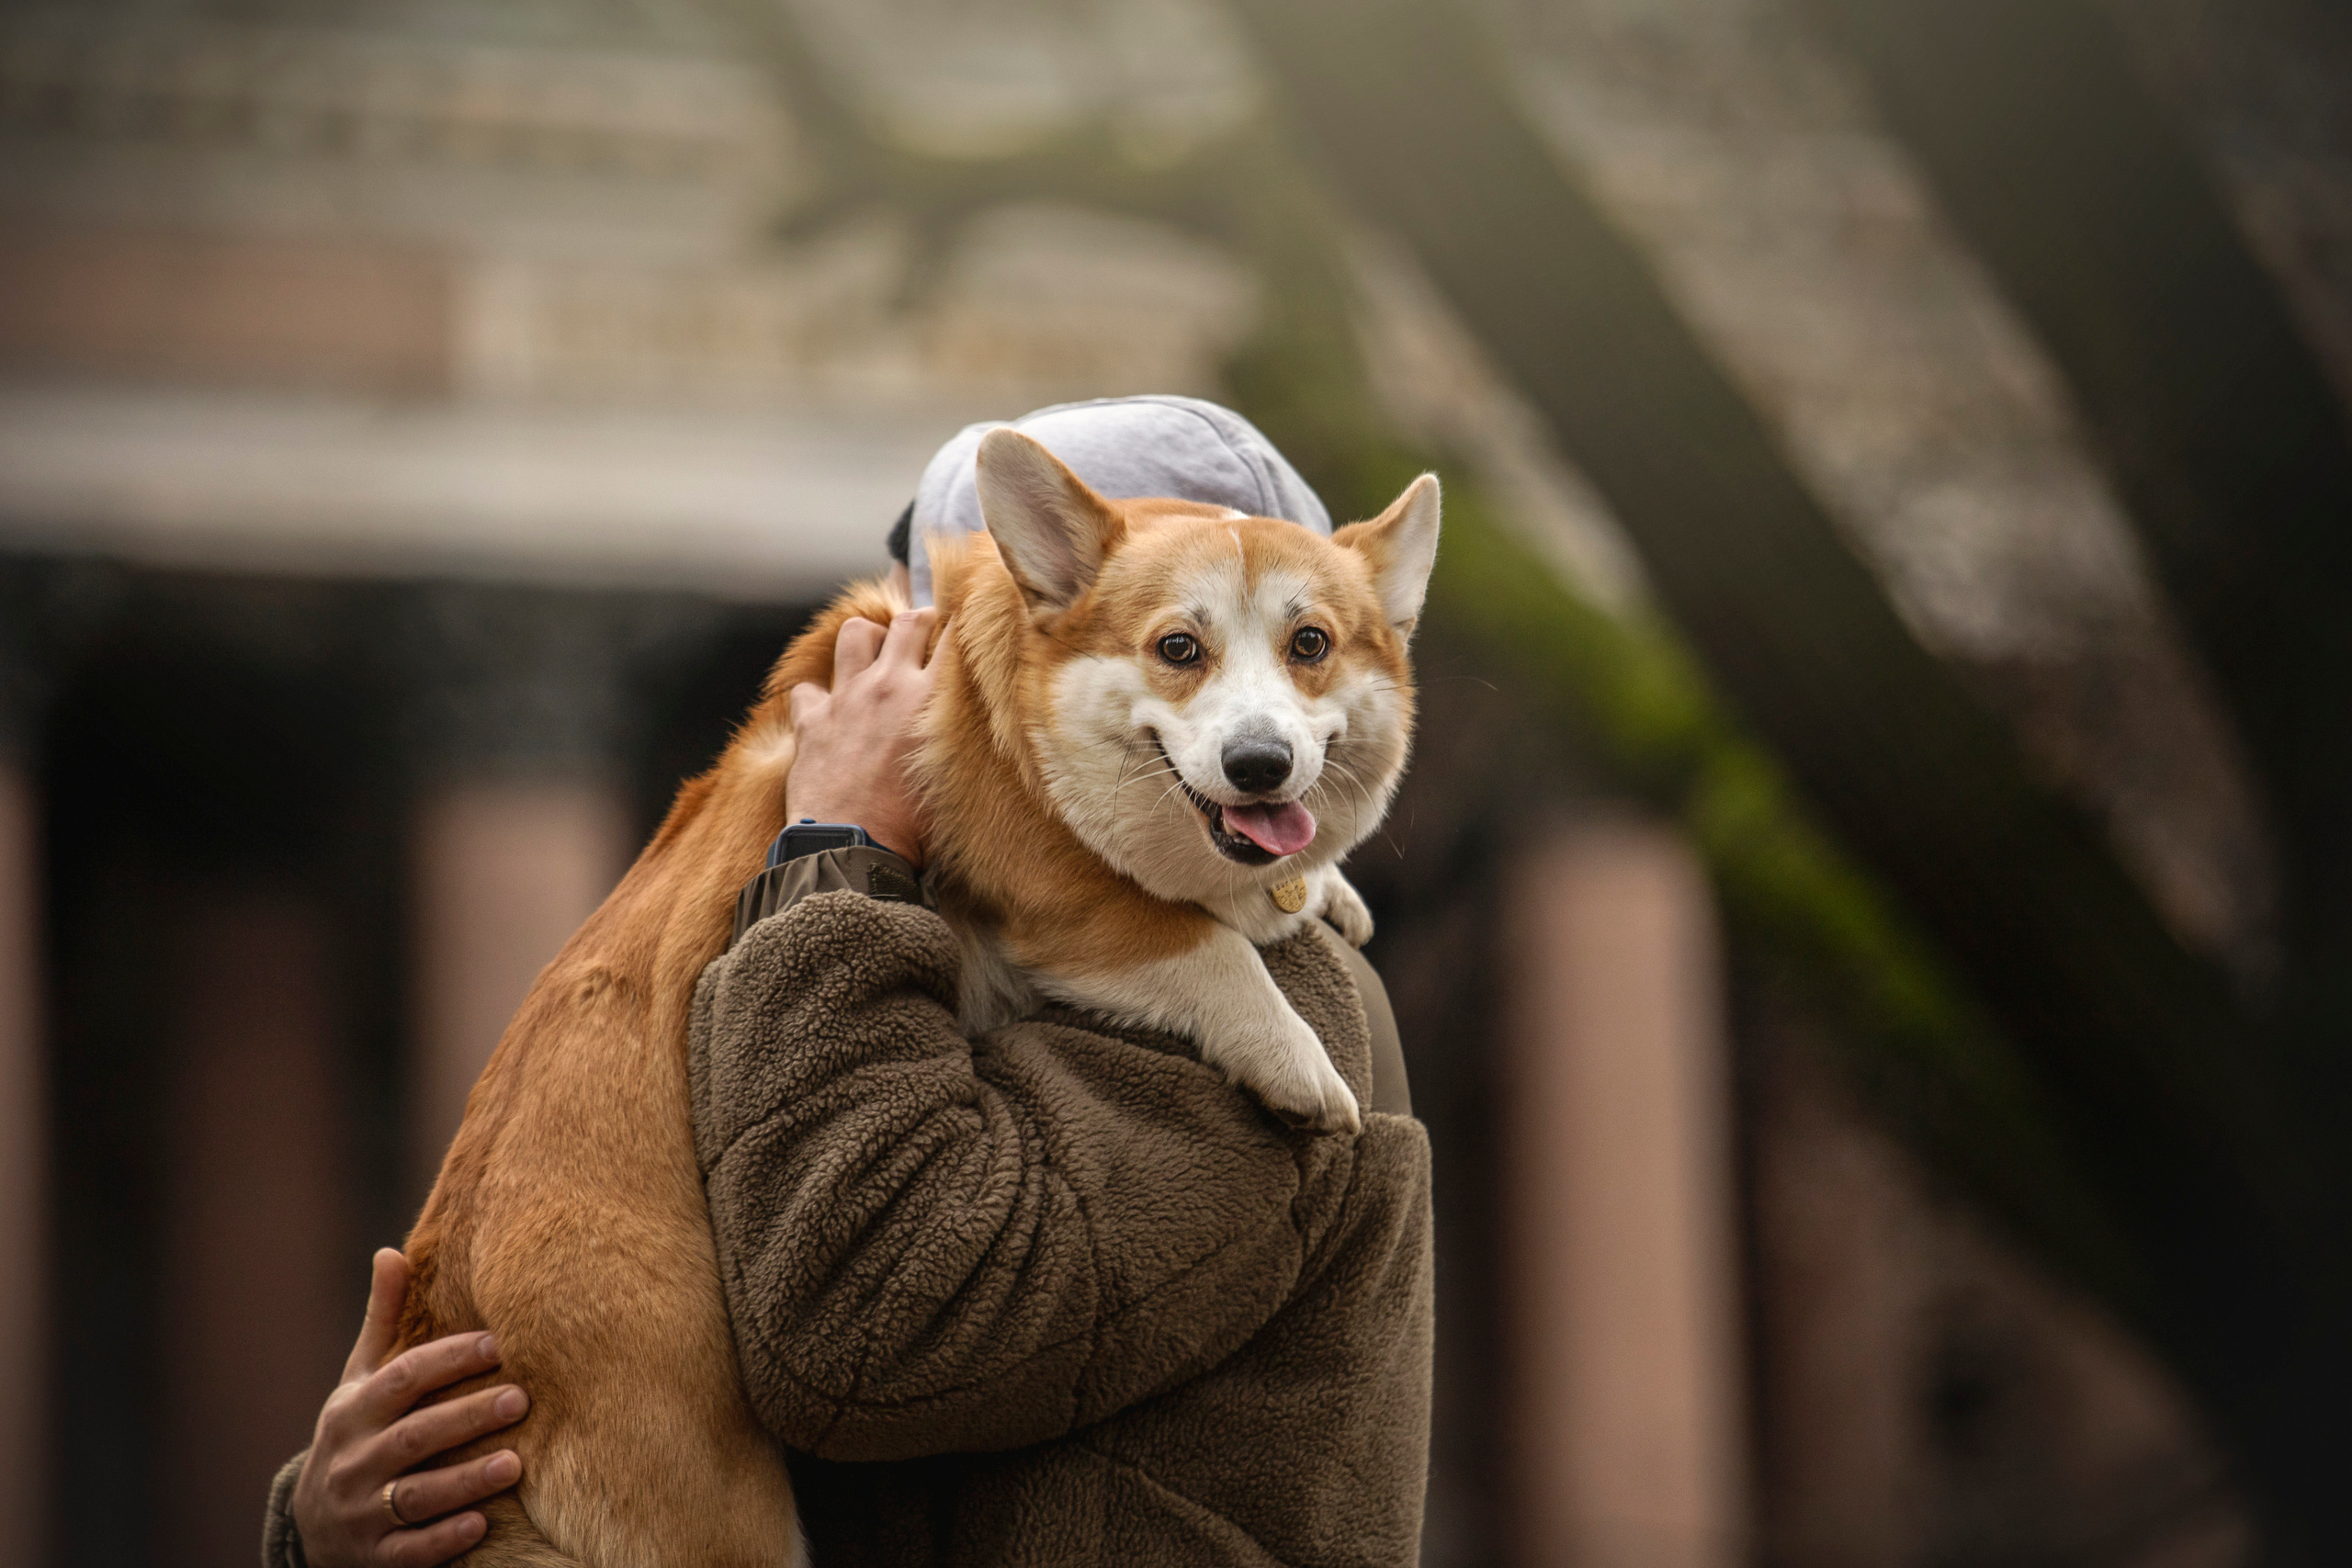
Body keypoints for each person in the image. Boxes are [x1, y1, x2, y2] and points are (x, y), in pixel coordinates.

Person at [265, 398, 1433, 1567]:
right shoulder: (1000, 930)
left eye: (937, 650)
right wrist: (346, 1524)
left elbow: (862, 1333)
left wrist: (838, 858)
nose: (882, 703)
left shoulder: (1270, 1006)